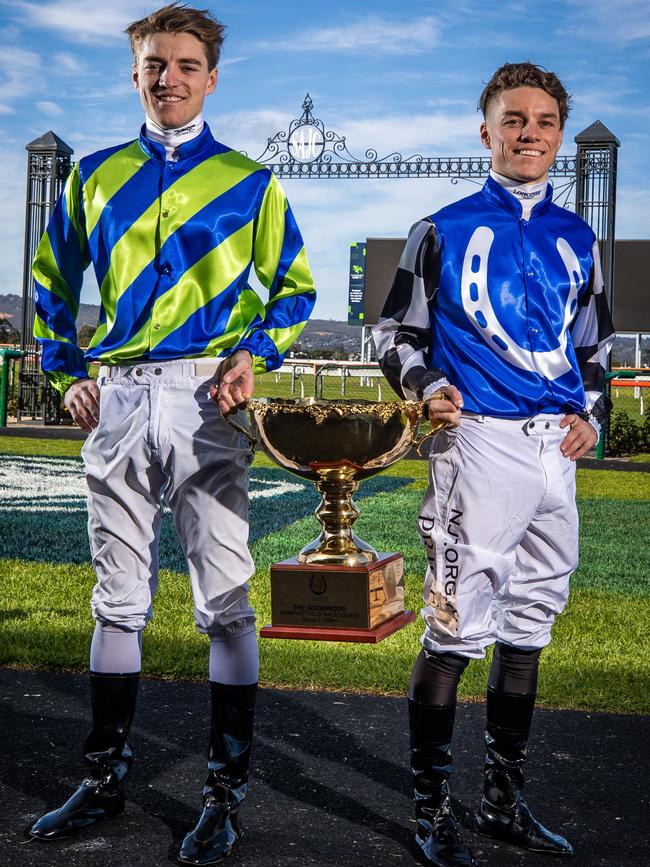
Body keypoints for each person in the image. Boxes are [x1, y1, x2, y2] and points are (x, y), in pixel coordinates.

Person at [28, 4, 315, 864]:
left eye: (186, 65)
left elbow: (293, 292)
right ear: (135, 73)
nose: (169, 79)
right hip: (115, 398)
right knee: (117, 597)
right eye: (154, 64)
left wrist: (253, 355)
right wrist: (67, 369)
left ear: (211, 77)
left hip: (204, 402)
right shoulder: (92, 174)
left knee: (226, 599)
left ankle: (224, 793)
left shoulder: (253, 183)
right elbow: (50, 281)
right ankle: (105, 778)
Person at [373, 62, 614, 866]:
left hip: (557, 451)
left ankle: (505, 800)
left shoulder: (579, 237)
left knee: (531, 624)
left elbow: (595, 350)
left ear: (558, 136)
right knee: (454, 630)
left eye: (545, 122)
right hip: (478, 442)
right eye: (515, 120)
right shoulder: (439, 226)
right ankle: (431, 809)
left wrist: (594, 413)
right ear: (486, 130)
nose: (531, 134)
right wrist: (428, 382)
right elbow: (394, 335)